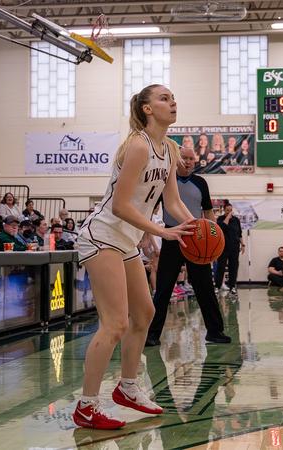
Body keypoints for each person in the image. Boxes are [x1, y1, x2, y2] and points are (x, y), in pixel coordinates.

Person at [72, 84, 195, 430]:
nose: (172, 102)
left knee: (145, 312)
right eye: (164, 98)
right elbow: (120, 205)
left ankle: (127, 388)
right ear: (146, 109)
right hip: (102, 236)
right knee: (115, 323)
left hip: (124, 241)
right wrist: (162, 232)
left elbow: (171, 202)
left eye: (173, 97)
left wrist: (194, 226)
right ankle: (86, 405)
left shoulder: (170, 148)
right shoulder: (139, 146)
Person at [146, 146, 231, 347]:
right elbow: (151, 209)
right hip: (171, 236)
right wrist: (146, 235)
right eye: (184, 158)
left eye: (191, 159)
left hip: (198, 238)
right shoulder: (166, 182)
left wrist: (216, 242)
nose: (188, 161)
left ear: (195, 161)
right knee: (163, 289)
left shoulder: (201, 183)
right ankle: (152, 335)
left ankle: (215, 331)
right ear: (176, 159)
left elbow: (208, 214)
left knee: (205, 288)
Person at [214, 203, 244, 295]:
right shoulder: (220, 219)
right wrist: (227, 217)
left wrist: (243, 244)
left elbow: (239, 234)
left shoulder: (236, 220)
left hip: (234, 248)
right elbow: (222, 228)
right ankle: (217, 286)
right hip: (223, 248)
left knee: (233, 268)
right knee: (221, 267)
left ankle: (232, 287)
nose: (229, 212)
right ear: (224, 210)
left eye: (231, 210)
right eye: (227, 210)